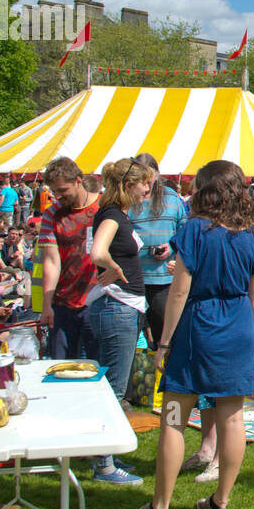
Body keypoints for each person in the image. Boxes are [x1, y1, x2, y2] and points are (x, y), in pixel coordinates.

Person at [124, 160, 254, 509]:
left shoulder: (193, 232)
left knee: (173, 417)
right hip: (236, 329)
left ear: (205, 192)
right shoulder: (252, 239)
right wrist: (248, 337)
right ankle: (220, 500)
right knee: (232, 418)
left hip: (196, 329)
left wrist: (164, 344)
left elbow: (179, 291)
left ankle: (160, 507)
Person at [87, 157, 155, 480]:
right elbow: (97, 252)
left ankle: (103, 454)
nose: (147, 192)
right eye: (144, 186)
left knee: (107, 386)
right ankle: (104, 465)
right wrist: (112, 268)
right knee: (113, 390)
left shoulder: (115, 214)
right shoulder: (113, 215)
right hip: (117, 308)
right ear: (129, 186)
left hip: (120, 308)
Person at [37, 157, 101, 361]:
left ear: (78, 180)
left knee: (97, 367)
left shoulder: (104, 208)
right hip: (63, 303)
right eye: (54, 191)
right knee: (60, 367)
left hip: (98, 300)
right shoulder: (51, 215)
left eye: (63, 190)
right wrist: (46, 305)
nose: (58, 196)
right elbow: (51, 261)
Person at [129, 154, 190, 351]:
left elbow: (185, 229)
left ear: (157, 174)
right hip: (133, 279)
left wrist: (172, 246)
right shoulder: (129, 199)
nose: (147, 184)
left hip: (163, 280)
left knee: (165, 337)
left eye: (150, 177)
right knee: (135, 342)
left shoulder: (172, 199)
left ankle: (165, 377)